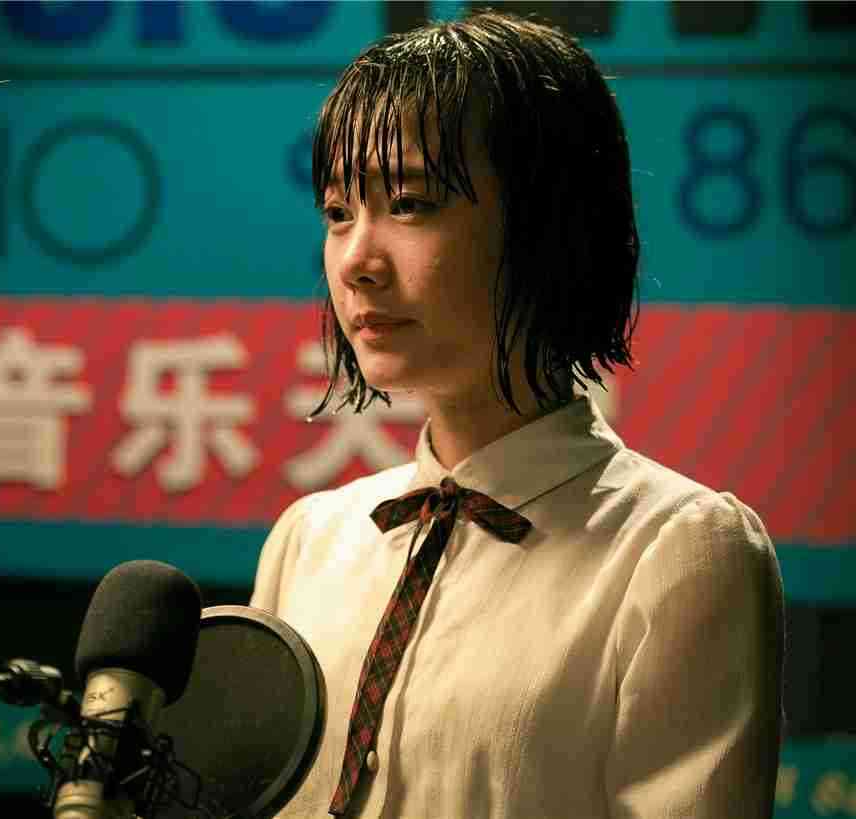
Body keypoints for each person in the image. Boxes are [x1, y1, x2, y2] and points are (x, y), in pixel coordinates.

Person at [250, 10, 784, 818]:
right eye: (336, 212)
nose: (357, 260)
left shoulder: (679, 551)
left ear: (549, 226)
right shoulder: (309, 540)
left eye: (410, 202)